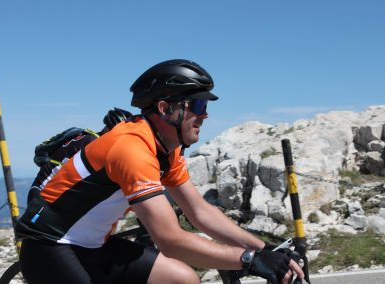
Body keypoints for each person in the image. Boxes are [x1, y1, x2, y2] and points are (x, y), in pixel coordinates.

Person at [15, 59, 304, 284]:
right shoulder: (131, 148)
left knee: (183, 279)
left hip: (94, 246)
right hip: (50, 248)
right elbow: (170, 240)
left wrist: (266, 248)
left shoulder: (167, 148)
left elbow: (199, 212)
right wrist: (249, 260)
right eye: (197, 105)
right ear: (166, 109)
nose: (204, 115)